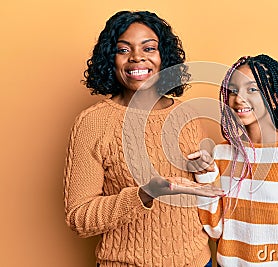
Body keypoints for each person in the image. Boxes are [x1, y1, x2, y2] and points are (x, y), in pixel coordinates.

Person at [64, 10, 223, 267]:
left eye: (149, 48)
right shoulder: (93, 123)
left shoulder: (189, 115)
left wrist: (208, 172)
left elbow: (208, 198)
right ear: (110, 59)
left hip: (197, 261)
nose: (137, 57)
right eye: (123, 50)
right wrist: (145, 194)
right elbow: (78, 218)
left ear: (164, 58)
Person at [188, 55, 278, 266]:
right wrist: (205, 176)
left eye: (252, 89)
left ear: (276, 97)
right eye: (233, 90)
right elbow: (214, 230)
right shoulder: (221, 154)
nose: (238, 98)